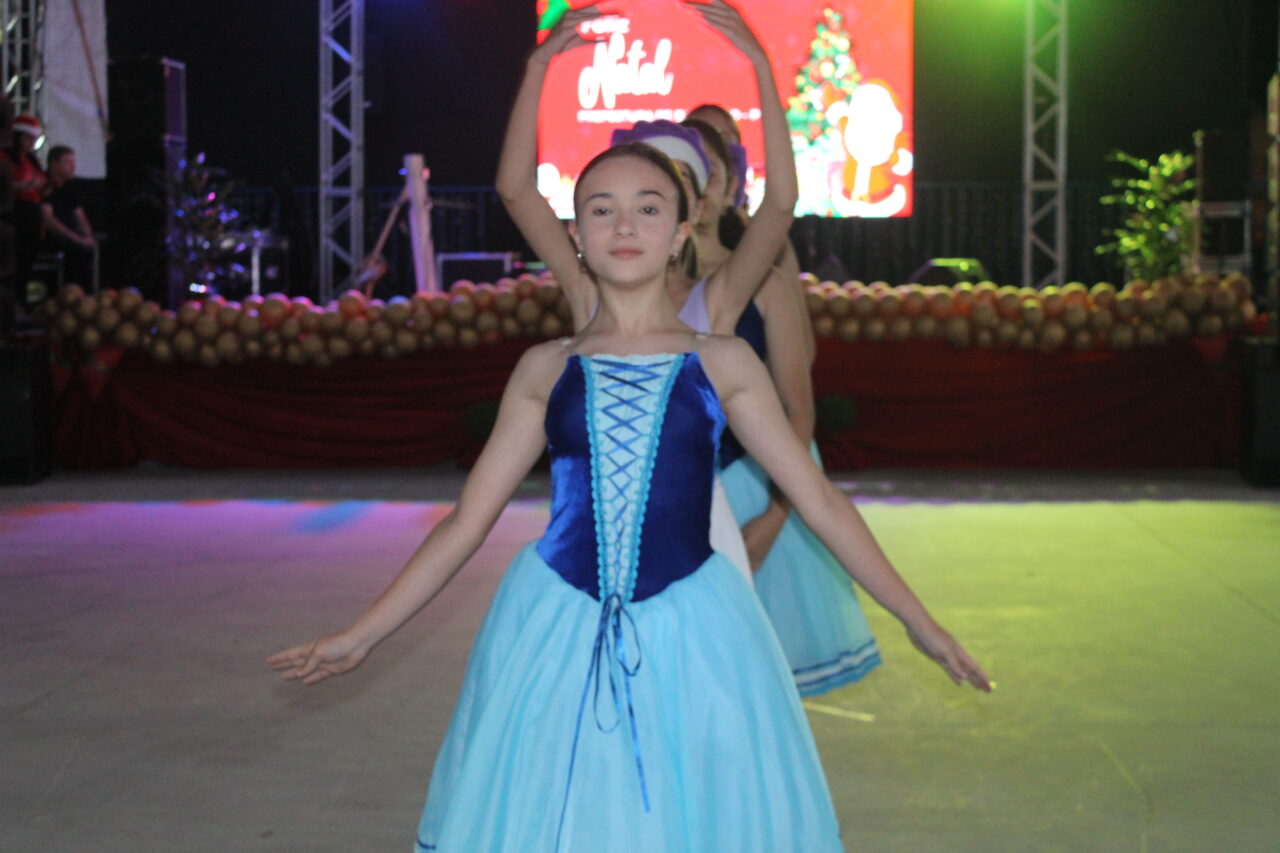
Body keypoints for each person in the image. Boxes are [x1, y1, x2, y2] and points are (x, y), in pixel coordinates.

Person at [269, 3, 991, 851]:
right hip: (556, 617)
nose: (623, 225)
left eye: (649, 208)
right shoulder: (546, 368)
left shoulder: (723, 361)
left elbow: (822, 501)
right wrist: (363, 632)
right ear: (573, 233)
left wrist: (916, 617)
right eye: (601, 209)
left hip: (695, 618)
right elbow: (466, 522)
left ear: (683, 228)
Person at [0, 114, 46, 331]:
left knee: (26, 264)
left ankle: (20, 305)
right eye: (27, 138)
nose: (30, 143)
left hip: (31, 217)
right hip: (14, 215)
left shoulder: (31, 160)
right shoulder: (5, 158)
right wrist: (23, 185)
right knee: (13, 265)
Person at [40, 145, 96, 288]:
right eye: (68, 162)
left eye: (73, 162)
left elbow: (80, 216)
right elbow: (49, 221)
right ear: (54, 164)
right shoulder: (45, 185)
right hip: (53, 238)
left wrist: (88, 236)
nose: (73, 166)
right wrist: (77, 240)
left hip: (72, 236)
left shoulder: (71, 187)